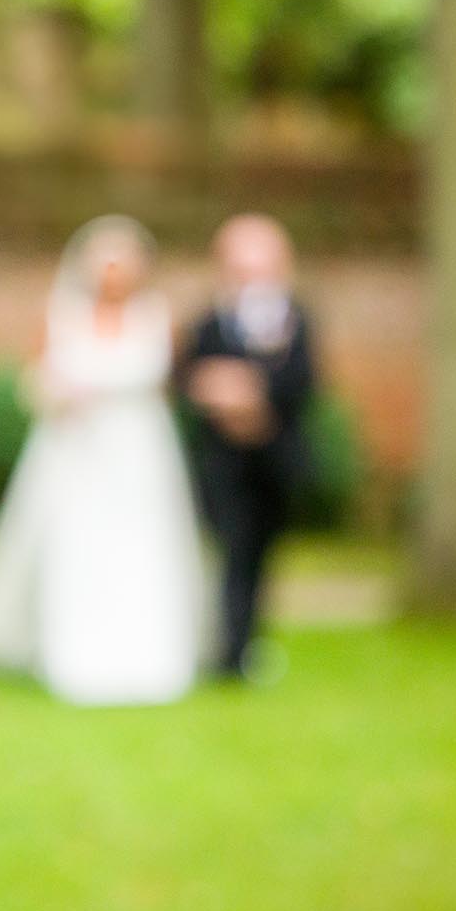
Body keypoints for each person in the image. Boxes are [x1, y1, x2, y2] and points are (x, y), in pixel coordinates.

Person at [0, 216, 204, 706]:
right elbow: (36, 379)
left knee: (140, 550)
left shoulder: (158, 317)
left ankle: (148, 652)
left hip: (140, 456)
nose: (115, 272)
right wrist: (58, 393)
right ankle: (76, 650)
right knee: (79, 550)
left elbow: (172, 385)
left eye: (125, 261)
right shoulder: (62, 314)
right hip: (77, 456)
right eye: (106, 261)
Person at [179, 213, 319, 678]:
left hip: (275, 460)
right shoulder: (208, 323)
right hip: (223, 464)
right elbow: (185, 380)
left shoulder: (297, 321)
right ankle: (228, 650)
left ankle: (244, 643)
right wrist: (216, 394)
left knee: (259, 556)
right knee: (230, 551)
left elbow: (305, 382)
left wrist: (253, 394)